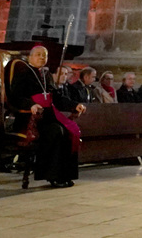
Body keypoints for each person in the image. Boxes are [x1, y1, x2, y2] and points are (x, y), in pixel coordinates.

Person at [7, 45, 85, 187]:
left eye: (45, 55)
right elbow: (15, 97)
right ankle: (51, 176)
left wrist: (74, 105)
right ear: (30, 57)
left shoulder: (46, 75)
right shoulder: (23, 73)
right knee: (56, 131)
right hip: (29, 119)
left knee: (68, 132)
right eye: (38, 55)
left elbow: (57, 98)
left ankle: (65, 175)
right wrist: (31, 105)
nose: (42, 58)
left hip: (48, 117)